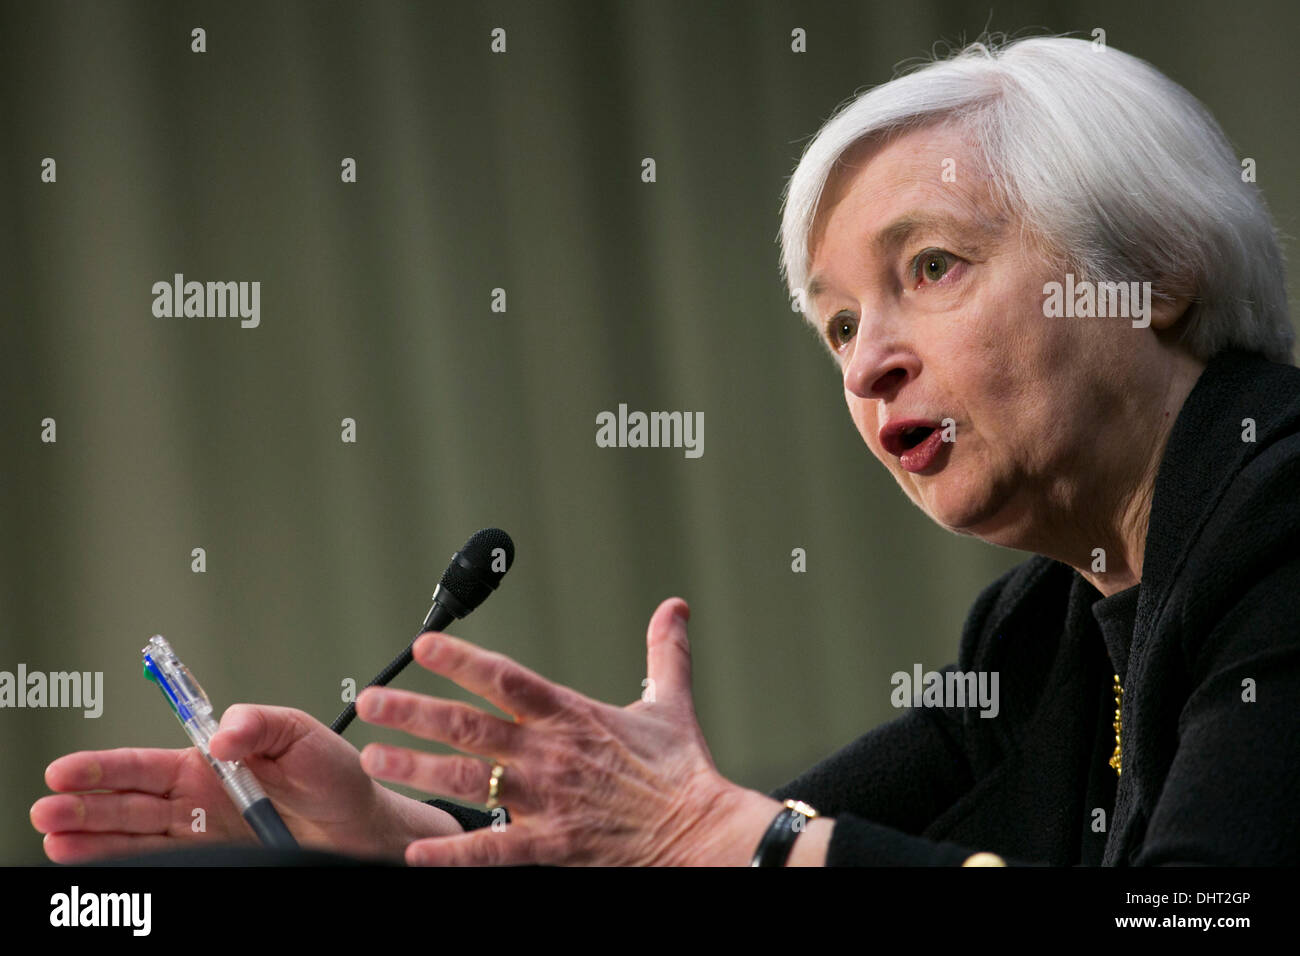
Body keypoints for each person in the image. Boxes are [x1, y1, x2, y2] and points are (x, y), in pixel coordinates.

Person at [31, 35, 1300, 866]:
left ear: (1154, 273)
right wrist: (391, 828)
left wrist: (721, 827)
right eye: (839, 324)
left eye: (931, 268)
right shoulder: (1037, 634)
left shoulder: (1280, 512)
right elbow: (721, 848)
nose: (866, 364)